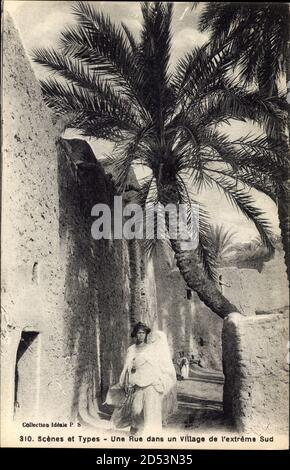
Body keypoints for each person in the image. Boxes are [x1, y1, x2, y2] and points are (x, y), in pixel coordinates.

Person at [106, 322, 177, 435]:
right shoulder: (131, 349)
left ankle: (148, 435)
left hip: (151, 384)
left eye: (143, 333)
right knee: (135, 410)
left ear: (146, 334)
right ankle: (135, 431)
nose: (141, 335)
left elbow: (156, 366)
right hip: (136, 384)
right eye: (139, 333)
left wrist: (158, 379)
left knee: (149, 411)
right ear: (135, 334)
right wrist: (128, 380)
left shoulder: (151, 349)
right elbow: (126, 367)